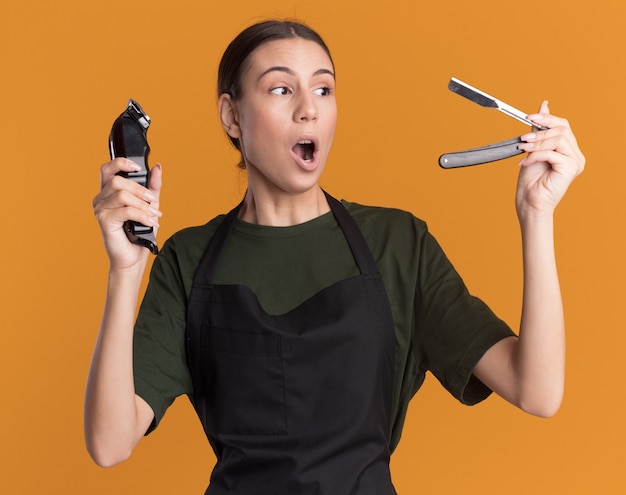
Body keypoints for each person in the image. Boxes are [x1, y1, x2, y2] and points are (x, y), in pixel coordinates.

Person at [85, 19, 585, 494]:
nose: (310, 109)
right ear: (232, 116)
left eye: (323, 89)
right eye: (282, 89)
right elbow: (109, 443)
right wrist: (125, 270)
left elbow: (536, 389)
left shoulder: (398, 243)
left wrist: (536, 214)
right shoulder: (187, 259)